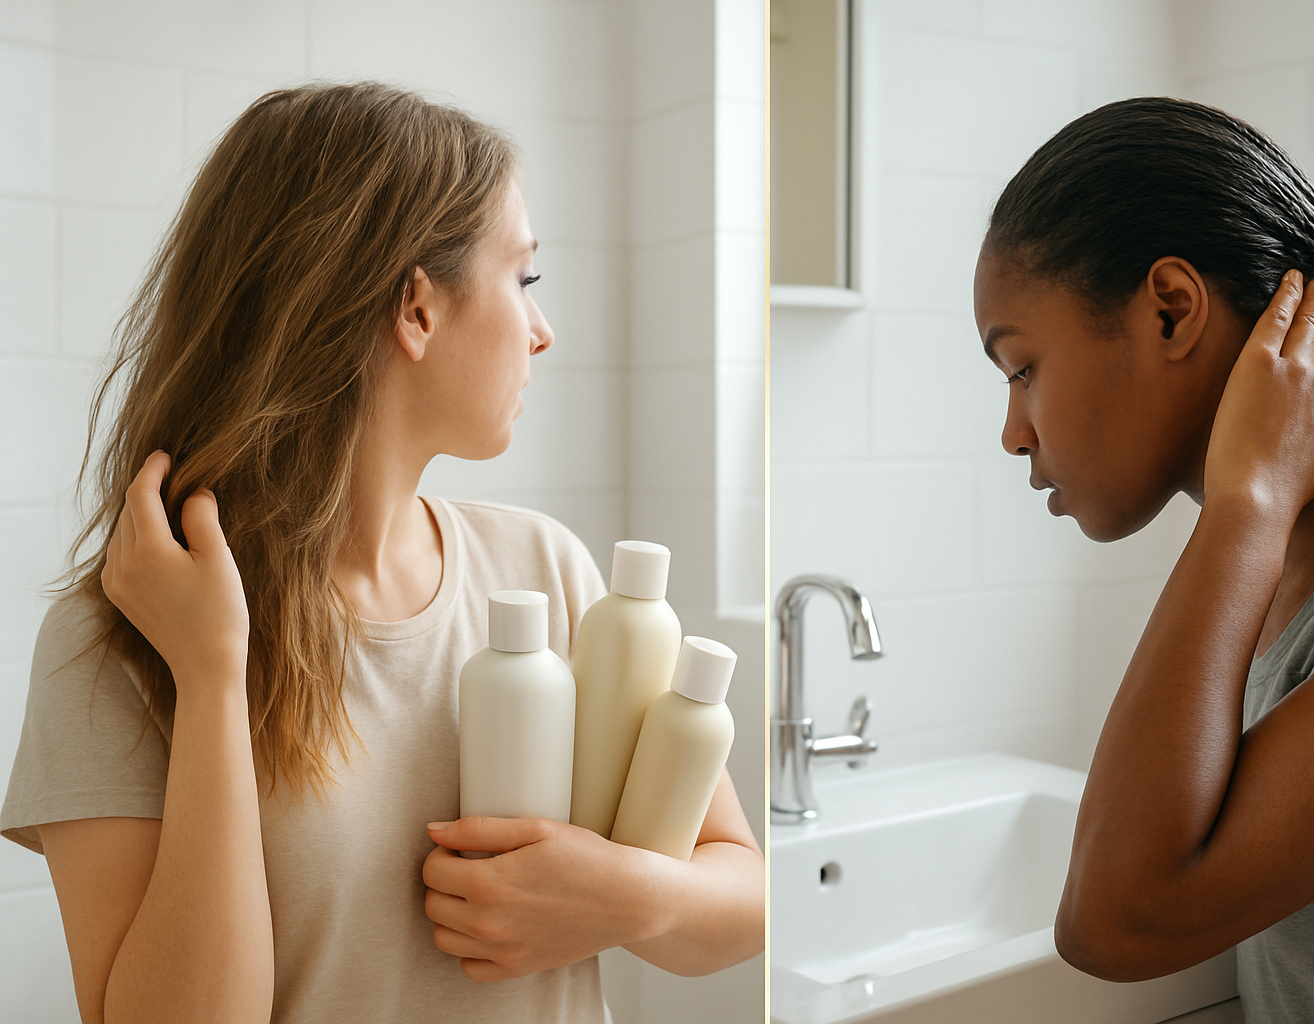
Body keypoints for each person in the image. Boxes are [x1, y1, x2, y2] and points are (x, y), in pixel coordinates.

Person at [0, 81, 764, 1024]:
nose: (541, 329)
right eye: (522, 279)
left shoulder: (549, 573)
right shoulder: (114, 642)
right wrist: (209, 679)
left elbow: (745, 895)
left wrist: (616, 897)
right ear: (416, 307)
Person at [973, 97, 1314, 1022]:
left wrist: (1250, 502)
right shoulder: (1277, 559)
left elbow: (1118, 922)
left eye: (1022, 367)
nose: (1012, 432)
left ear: (1171, 308)